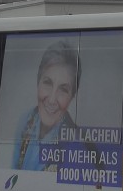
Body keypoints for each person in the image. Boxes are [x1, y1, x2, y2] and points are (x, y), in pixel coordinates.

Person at [10, 40, 80, 171]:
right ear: (38, 82)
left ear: (72, 97)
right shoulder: (24, 120)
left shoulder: (76, 143)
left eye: (63, 89)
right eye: (47, 83)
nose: (52, 100)